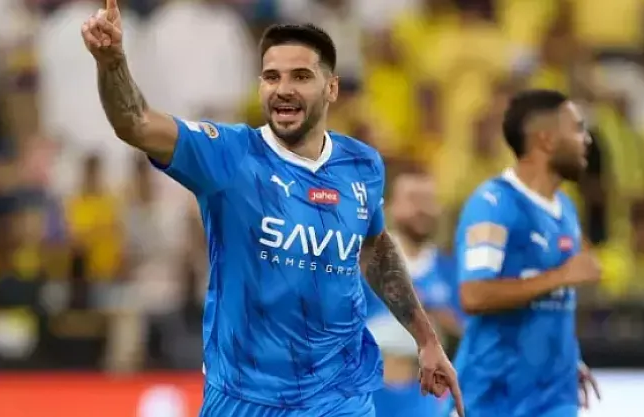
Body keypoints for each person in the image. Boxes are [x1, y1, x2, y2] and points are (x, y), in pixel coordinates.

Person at [80, 2, 464, 417]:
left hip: (338, 397)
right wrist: (112, 63)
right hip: (244, 398)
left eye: (301, 76)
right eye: (272, 76)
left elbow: (374, 249)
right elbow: (135, 122)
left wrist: (426, 340)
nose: (283, 88)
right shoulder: (230, 155)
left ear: (331, 88)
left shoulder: (362, 164)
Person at [443, 90, 601, 417]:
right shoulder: (493, 205)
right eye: (577, 129)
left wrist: (569, 358)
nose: (586, 139)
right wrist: (562, 276)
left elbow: (554, 304)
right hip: (493, 398)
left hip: (554, 396)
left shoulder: (566, 209)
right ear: (546, 139)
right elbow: (474, 295)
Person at [362, 168, 463, 417]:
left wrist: (431, 311)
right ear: (390, 206)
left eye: (429, 200)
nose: (422, 209)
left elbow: (465, 330)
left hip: (423, 393)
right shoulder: (363, 262)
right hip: (366, 389)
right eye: (413, 199)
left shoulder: (450, 269)